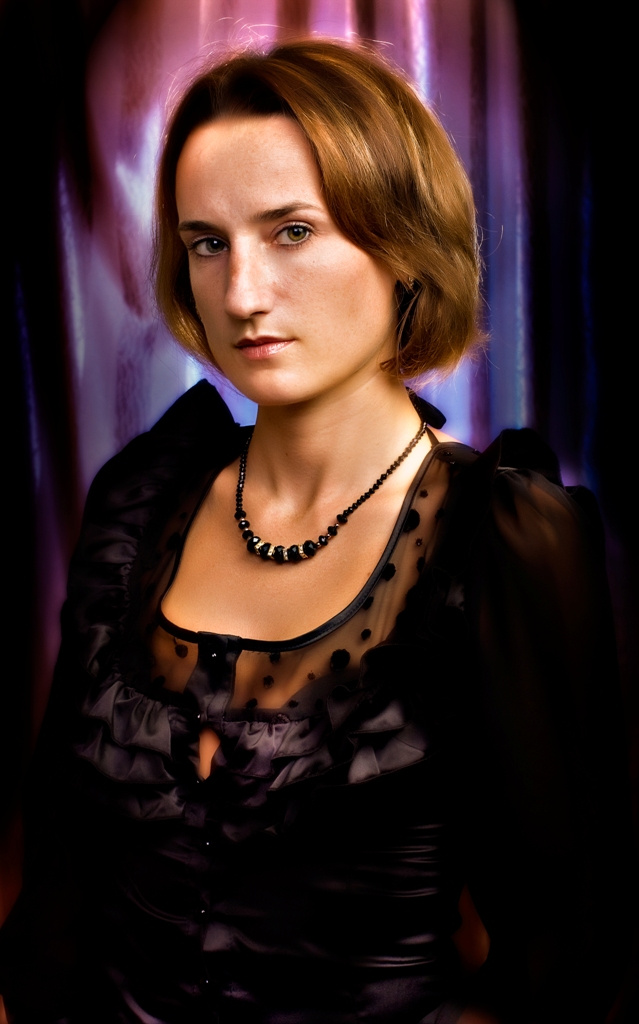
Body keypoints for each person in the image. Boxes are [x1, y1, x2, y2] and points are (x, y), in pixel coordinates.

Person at [0, 38, 633, 1024]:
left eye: (291, 231)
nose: (242, 295)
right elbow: (57, 887)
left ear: (402, 241)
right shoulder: (138, 503)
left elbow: (567, 957)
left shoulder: (505, 539)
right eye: (207, 243)